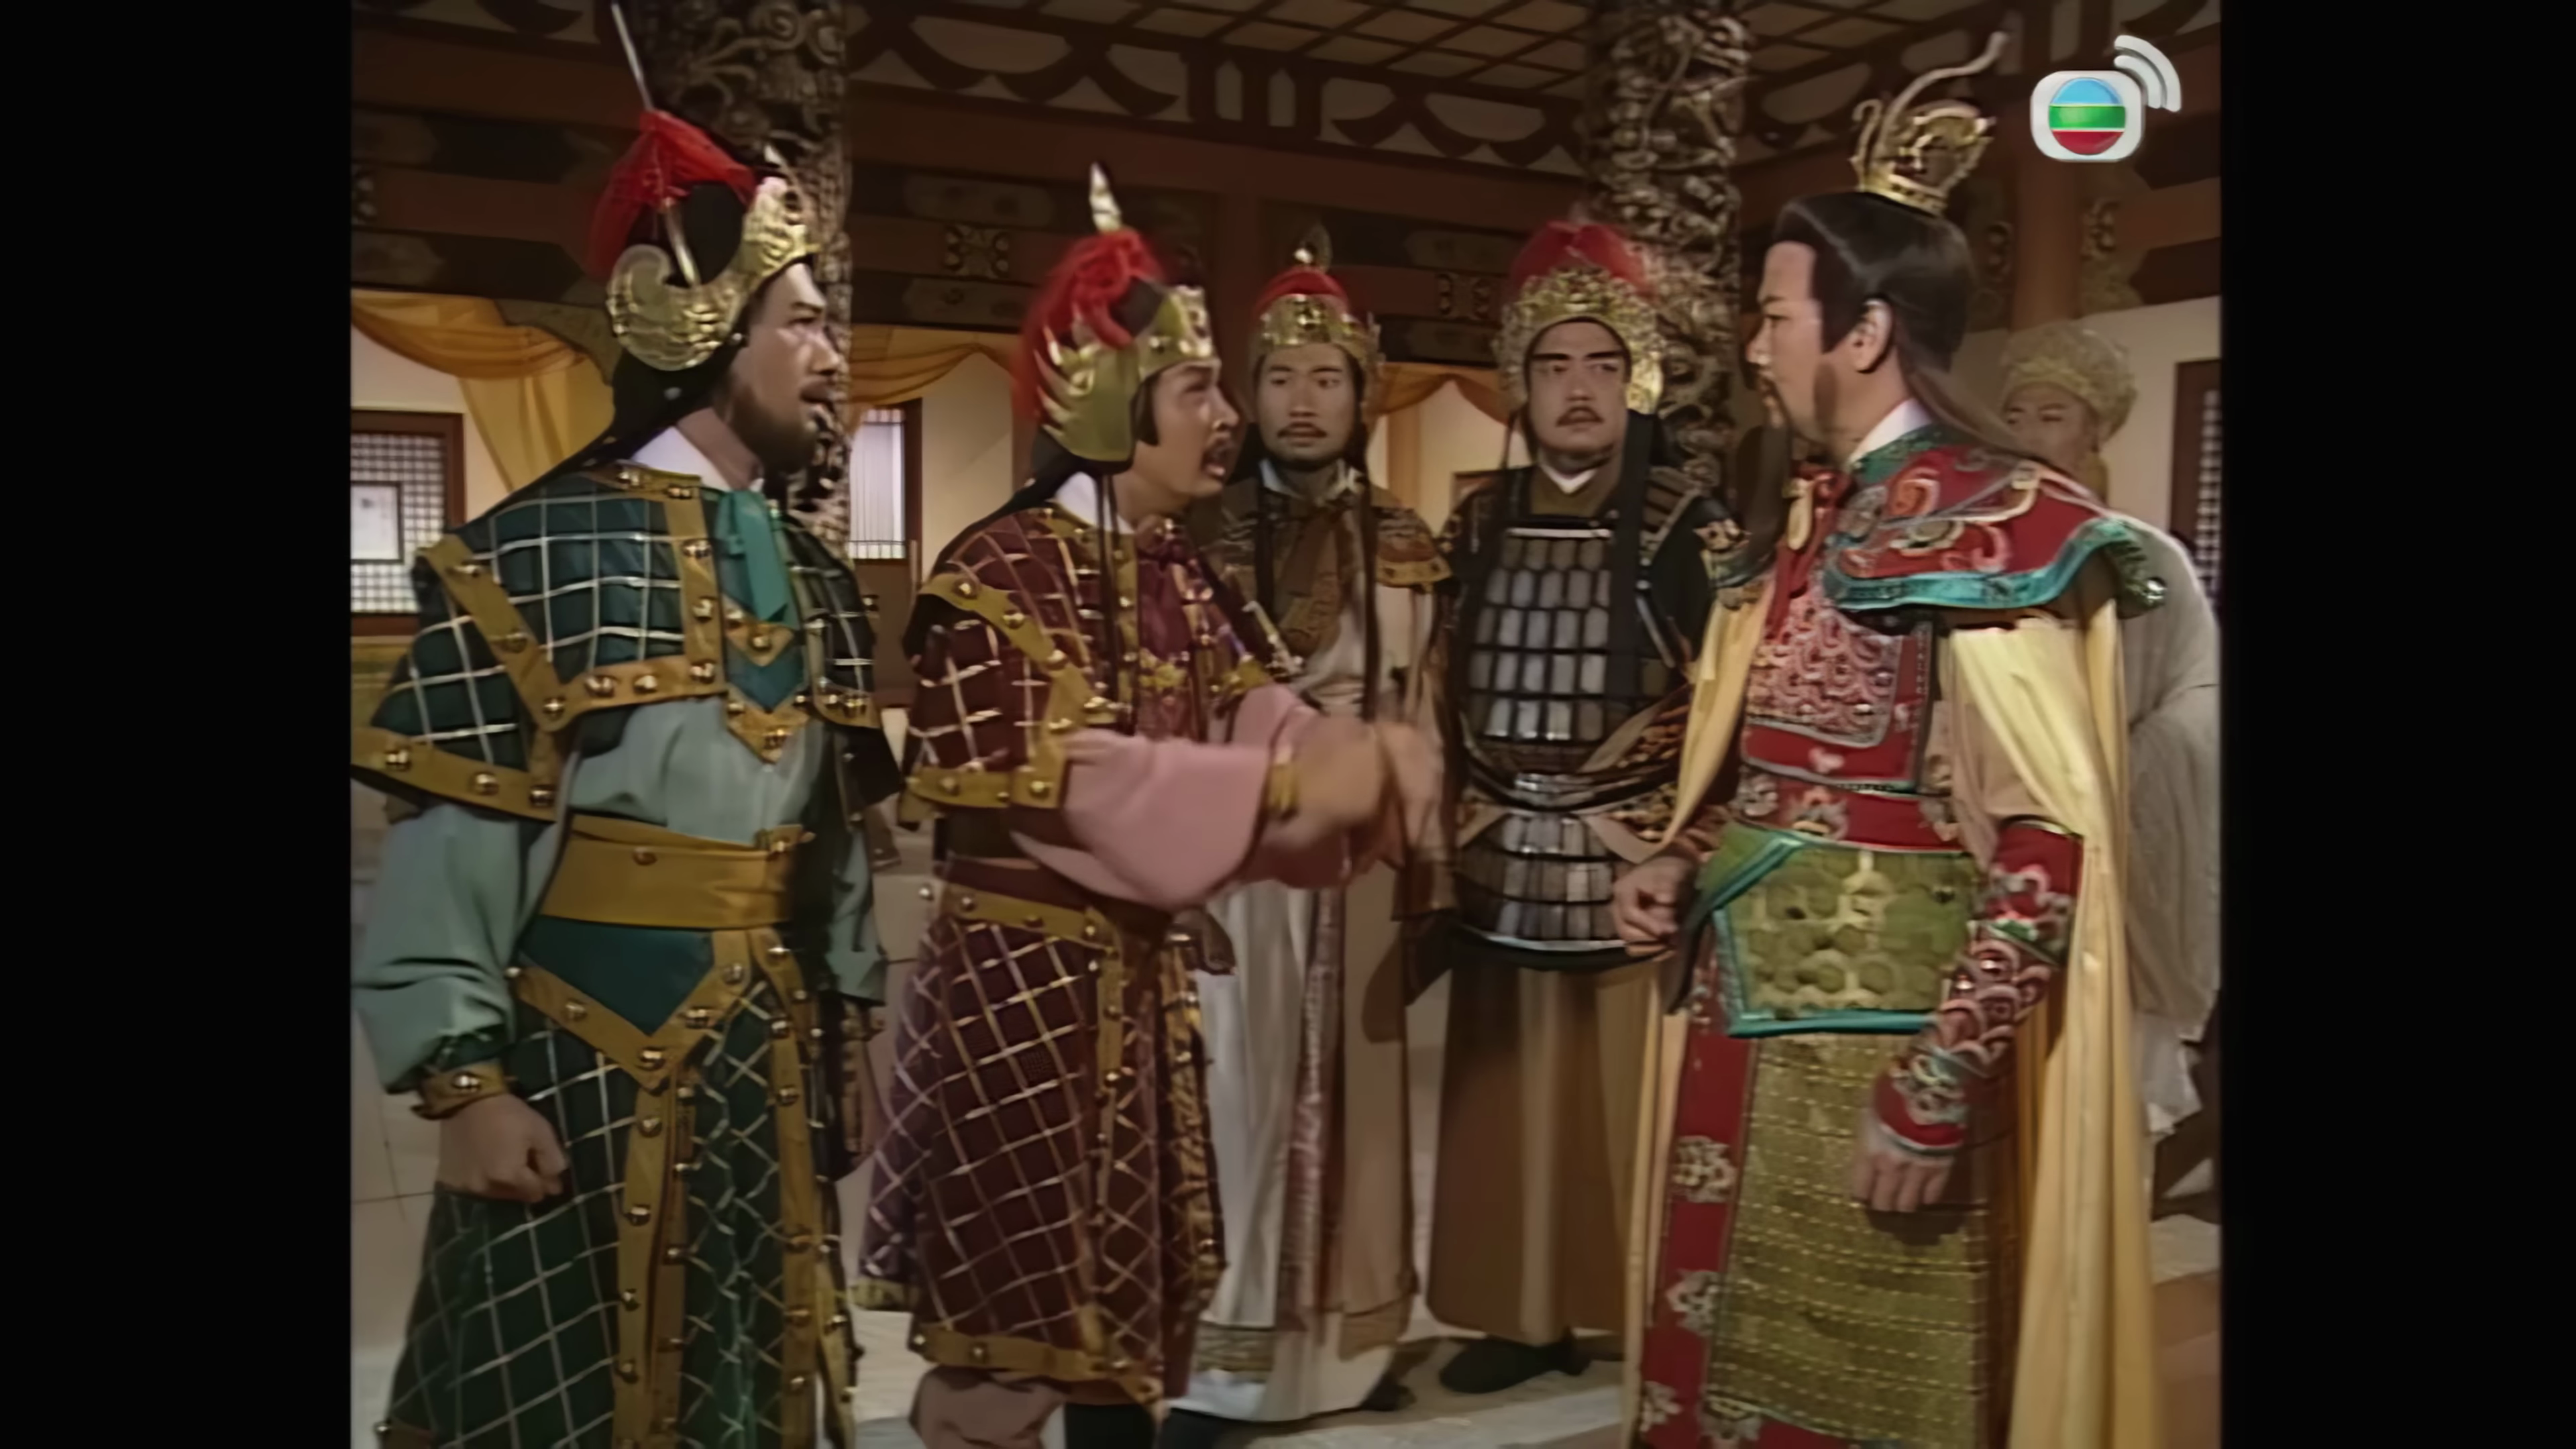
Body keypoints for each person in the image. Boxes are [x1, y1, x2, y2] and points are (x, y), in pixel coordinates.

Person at [1613, 36, 2168, 1447]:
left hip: (1877, 1055)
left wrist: (1933, 1089)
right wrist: (1682, 852)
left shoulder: (1991, 527)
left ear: (1861, 335)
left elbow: (2045, 840)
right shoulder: (1816, 510)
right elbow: (1771, 763)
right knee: (1723, 1383)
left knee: (1872, 1407)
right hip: (1743, 1017)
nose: (1754, 349)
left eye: (1774, 318)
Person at [851, 169, 1440, 1449]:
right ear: (1113, 401)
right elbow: (1078, 782)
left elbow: (1255, 707)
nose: (1229, 419)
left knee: (1125, 1332)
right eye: (1199, 392)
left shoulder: (1171, 568)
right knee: (1011, 1336)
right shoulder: (995, 575)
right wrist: (1296, 784)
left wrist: (1357, 756)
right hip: (1022, 1007)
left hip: (1140, 994)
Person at [351, 103, 904, 1448]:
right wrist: (466, 1084)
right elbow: (455, 845)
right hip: (582, 1053)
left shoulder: (819, 579)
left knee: (753, 1372)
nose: (834, 359)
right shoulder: (529, 554)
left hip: (767, 1054)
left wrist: (847, 1027)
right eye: (804, 324)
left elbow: (832, 843)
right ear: (699, 327)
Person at [1415, 218, 1737, 1397]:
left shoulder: (1691, 526)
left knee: (1625, 1103)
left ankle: (1637, 1310)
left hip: (1627, 852)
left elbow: (1729, 705)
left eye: (1603, 363)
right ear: (1522, 381)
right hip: (1498, 847)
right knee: (1507, 1099)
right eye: (1554, 365)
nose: (1579, 387)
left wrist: (1687, 842)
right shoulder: (1475, 521)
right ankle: (1522, 1313)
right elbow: (1438, 682)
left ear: (1637, 377)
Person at [1164, 237, 1446, 1445]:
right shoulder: (1196, 534)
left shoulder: (1408, 539)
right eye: (1280, 378)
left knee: (1364, 1111)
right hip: (1241, 848)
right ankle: (1223, 1369)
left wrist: (1425, 857)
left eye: (1327, 378)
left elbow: (1425, 710)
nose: (1302, 402)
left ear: (1361, 394)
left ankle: (1350, 1351)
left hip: (1363, 857)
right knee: (1234, 1100)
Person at [1999, 321, 2221, 1152]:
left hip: (2107, 822)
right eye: (2015, 415)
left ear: (2094, 431)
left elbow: (2196, 697)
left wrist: (2112, 771)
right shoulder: (1975, 552)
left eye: (2052, 415)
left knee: (2093, 1101)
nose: (2028, 434)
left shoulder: (2143, 555)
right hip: (1991, 821)